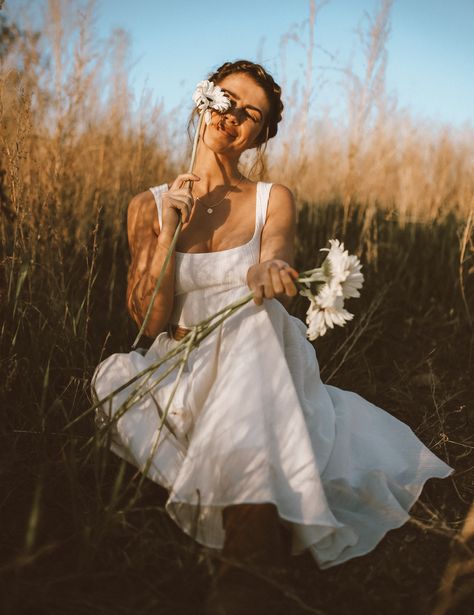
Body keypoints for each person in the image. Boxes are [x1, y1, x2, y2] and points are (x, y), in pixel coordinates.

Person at [91, 60, 453, 610]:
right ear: (204, 101)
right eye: (227, 101)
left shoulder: (271, 198)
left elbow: (277, 262)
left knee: (254, 325)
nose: (233, 118)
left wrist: (268, 274)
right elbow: (147, 323)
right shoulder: (148, 204)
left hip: (254, 353)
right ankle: (261, 516)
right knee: (114, 380)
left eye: (251, 115)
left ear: (261, 135)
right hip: (180, 364)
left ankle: (248, 563)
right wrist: (169, 233)